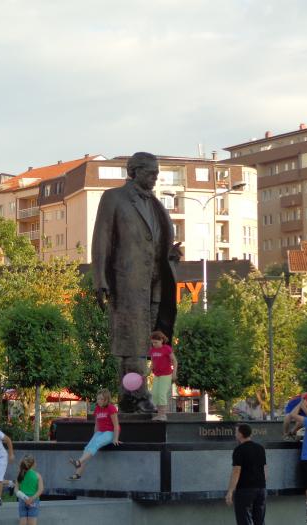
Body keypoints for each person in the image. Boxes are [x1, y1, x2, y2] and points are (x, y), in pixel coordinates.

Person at [92, 151, 183, 413]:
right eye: (150, 172)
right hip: (127, 282)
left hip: (157, 282)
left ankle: (142, 396)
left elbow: (156, 241)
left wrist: (171, 254)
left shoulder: (155, 203)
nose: (155, 177)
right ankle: (134, 396)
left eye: (157, 172)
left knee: (153, 340)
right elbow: (101, 240)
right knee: (131, 342)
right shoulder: (114, 198)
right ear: (134, 172)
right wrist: (100, 279)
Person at [67, 388, 120, 480]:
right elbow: (97, 424)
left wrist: (115, 438)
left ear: (106, 399)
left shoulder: (111, 408)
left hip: (109, 432)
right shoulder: (97, 408)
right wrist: (94, 436)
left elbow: (116, 425)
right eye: (98, 399)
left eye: (101, 399)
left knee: (96, 443)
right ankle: (77, 475)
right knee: (87, 448)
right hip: (100, 433)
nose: (99, 401)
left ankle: (78, 462)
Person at [226, 423, 267, 525]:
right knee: (259, 521)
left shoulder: (239, 450)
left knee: (244, 520)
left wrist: (230, 491)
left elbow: (236, 471)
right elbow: (265, 470)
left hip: (245, 489)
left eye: (236, 432)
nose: (235, 434)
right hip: (261, 489)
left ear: (240, 434)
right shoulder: (260, 448)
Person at [148, 330, 177, 421]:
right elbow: (153, 363)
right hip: (157, 375)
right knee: (155, 394)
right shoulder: (152, 350)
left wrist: (174, 374)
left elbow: (175, 361)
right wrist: (148, 372)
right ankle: (159, 414)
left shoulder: (167, 349)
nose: (154, 344)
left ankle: (163, 415)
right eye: (152, 343)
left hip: (166, 375)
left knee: (161, 394)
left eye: (156, 342)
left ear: (161, 340)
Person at [15, 454, 44, 525]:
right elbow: (40, 490)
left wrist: (24, 498)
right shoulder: (37, 475)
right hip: (33, 500)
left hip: (22, 500)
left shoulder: (20, 474)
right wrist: (31, 499)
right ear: (33, 464)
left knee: (22, 521)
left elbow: (16, 490)